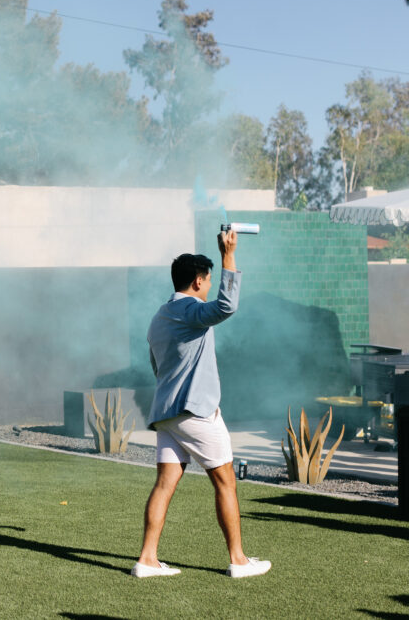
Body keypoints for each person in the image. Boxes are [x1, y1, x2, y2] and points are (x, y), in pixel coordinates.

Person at [132, 230, 270, 579]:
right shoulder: (190, 309)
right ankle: (238, 561)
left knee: (165, 484)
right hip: (194, 412)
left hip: (165, 415)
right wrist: (228, 254)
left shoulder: (159, 317)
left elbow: (156, 367)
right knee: (225, 481)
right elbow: (227, 306)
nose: (208, 286)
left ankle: (147, 560)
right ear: (197, 281)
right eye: (208, 280)